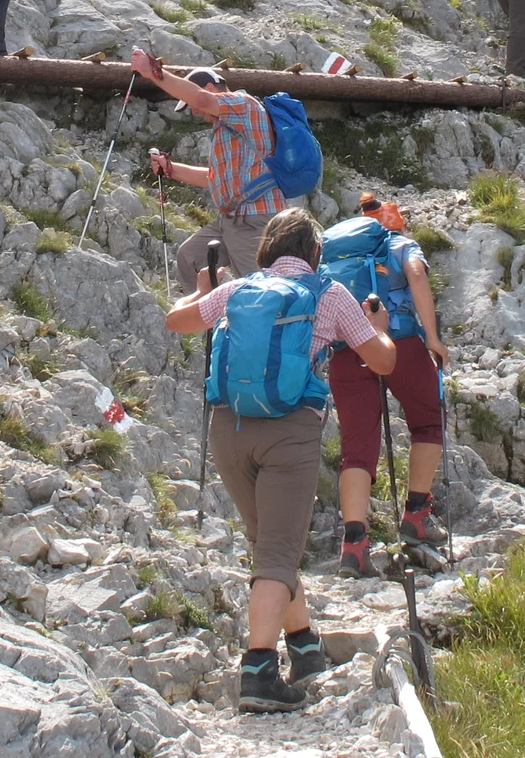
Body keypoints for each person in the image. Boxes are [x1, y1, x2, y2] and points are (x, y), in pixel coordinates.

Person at [164, 208, 398, 712]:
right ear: (316, 253)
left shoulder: (239, 289)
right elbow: (382, 361)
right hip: (289, 434)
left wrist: (204, 288)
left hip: (228, 429)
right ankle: (259, 670)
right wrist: (380, 326)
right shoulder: (330, 295)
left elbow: (176, 320)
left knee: (269, 542)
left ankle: (305, 647)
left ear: (268, 247)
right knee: (276, 551)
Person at [330, 193, 450, 577]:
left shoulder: (337, 255)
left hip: (349, 349)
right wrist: (432, 338)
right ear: (392, 218)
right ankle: (416, 514)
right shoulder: (399, 242)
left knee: (357, 448)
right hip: (400, 343)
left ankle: (354, 545)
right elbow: (416, 275)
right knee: (429, 420)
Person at [131, 49, 282, 288]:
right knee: (191, 257)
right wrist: (170, 169)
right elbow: (213, 178)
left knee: (260, 290)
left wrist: (153, 73)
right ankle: (214, 322)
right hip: (231, 220)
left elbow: (201, 100)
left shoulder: (242, 105)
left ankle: (252, 322)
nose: (195, 111)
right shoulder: (226, 126)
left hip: (253, 220)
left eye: (192, 105)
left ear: (211, 88)